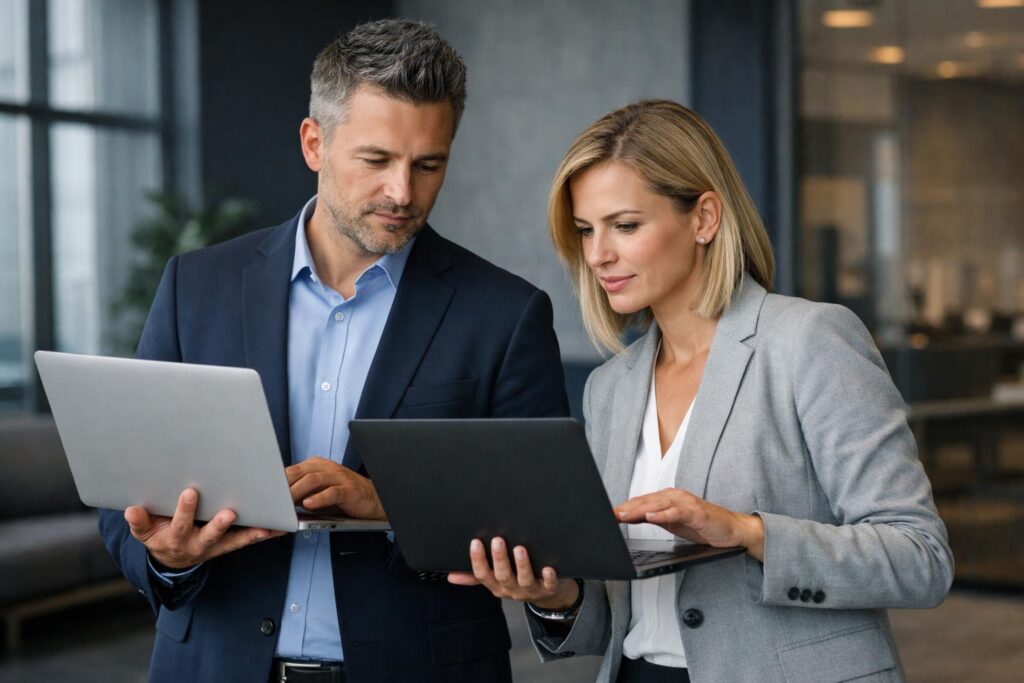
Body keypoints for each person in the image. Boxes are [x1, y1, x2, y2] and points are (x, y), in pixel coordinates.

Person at [98, 19, 568, 683]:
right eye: (376, 160)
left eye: (429, 164)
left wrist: (386, 502)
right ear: (313, 143)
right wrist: (168, 556)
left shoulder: (505, 315)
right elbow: (122, 491)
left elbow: (541, 521)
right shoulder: (195, 286)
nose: (403, 192)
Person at [448, 100, 953, 683]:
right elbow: (620, 617)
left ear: (705, 218)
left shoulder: (807, 341)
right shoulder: (610, 388)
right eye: (586, 230)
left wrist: (747, 533)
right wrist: (556, 594)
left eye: (625, 225)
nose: (597, 255)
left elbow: (922, 559)